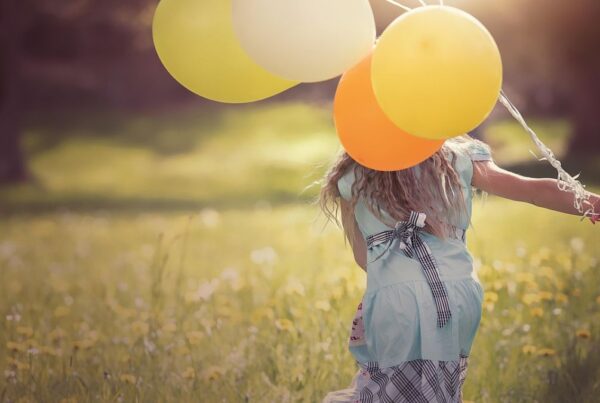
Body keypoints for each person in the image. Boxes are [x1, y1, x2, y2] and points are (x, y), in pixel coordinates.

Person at [318, 134, 599, 403]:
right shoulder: (456, 156)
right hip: (457, 293)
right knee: (441, 387)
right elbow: (531, 189)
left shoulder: (352, 172)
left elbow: (362, 255)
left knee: (388, 389)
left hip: (396, 297)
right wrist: (590, 202)